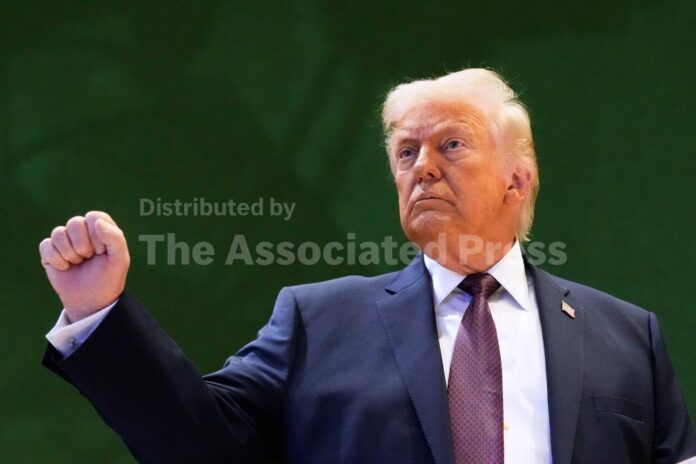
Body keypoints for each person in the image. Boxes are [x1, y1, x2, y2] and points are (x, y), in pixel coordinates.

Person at [39, 69, 696, 464]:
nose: (422, 168)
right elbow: (198, 445)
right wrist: (101, 315)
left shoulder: (627, 337)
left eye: (451, 144)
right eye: (406, 153)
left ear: (516, 179)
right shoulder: (319, 321)